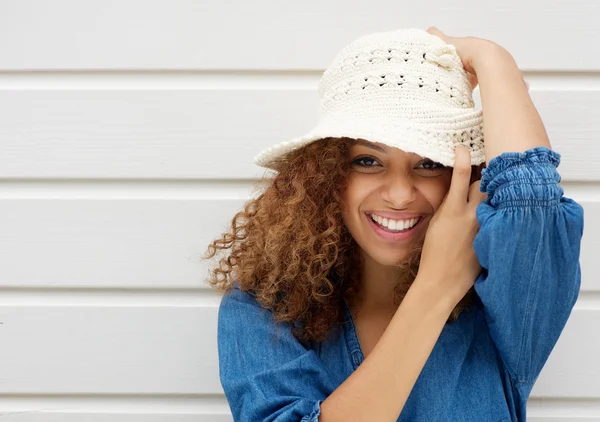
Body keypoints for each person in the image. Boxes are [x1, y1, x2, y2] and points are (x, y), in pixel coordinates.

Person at [202, 27, 584, 422]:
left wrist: (493, 59)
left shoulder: (505, 303)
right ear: (324, 175)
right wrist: (436, 288)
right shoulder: (263, 308)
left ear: (464, 175)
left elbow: (532, 203)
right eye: (368, 161)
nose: (400, 195)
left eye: (429, 163)